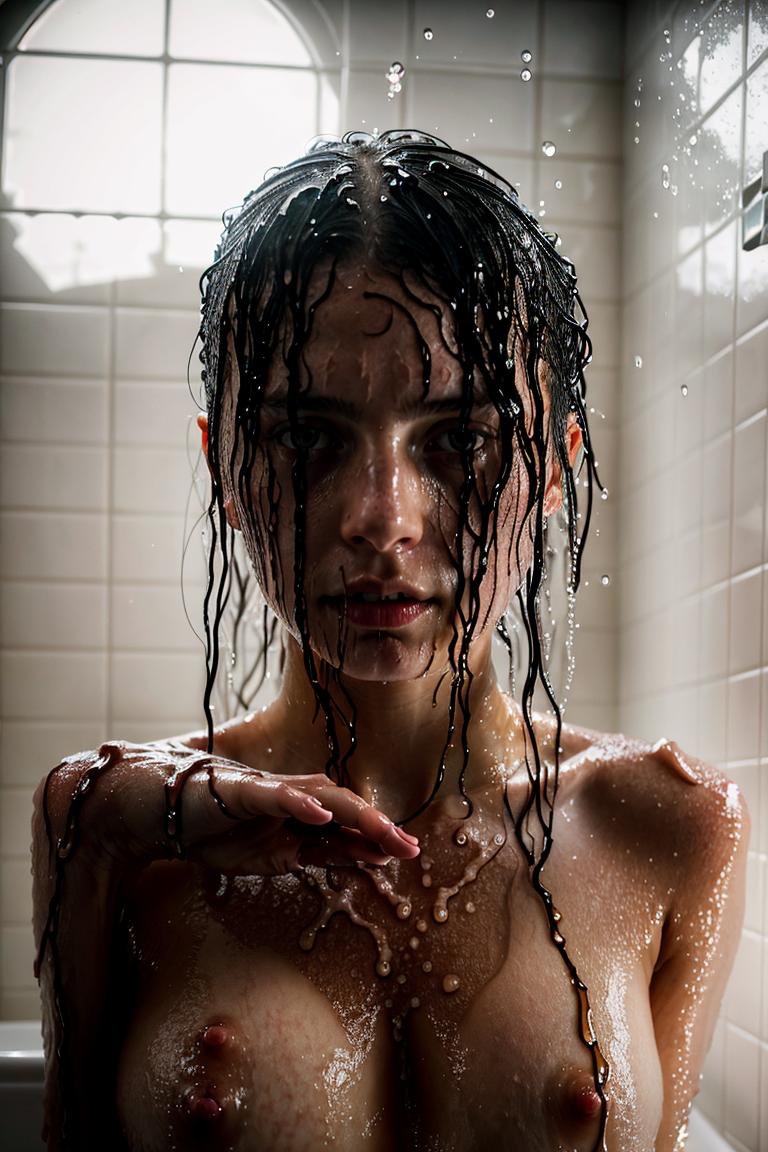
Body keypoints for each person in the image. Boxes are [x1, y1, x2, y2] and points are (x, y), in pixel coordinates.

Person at [32, 130, 748, 1152]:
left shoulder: (671, 829)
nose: (382, 517)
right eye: (304, 438)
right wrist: (90, 838)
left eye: (460, 442)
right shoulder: (115, 830)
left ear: (554, 468)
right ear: (225, 469)